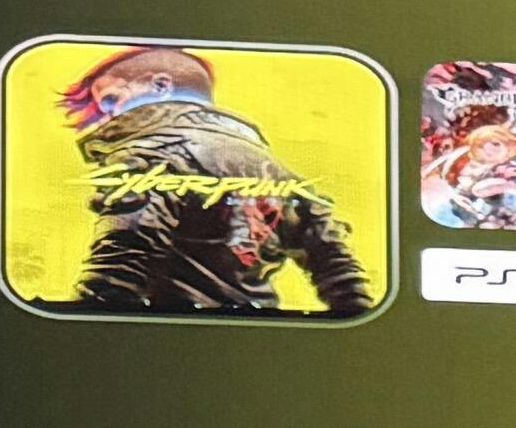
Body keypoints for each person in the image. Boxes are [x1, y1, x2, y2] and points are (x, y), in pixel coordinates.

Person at [46, 43, 376, 317]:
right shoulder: (278, 170)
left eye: (110, 99)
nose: (108, 115)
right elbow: (342, 275)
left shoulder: (151, 155)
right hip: (257, 336)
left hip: (167, 340)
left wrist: (84, 334)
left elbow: (120, 264)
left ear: (160, 86)